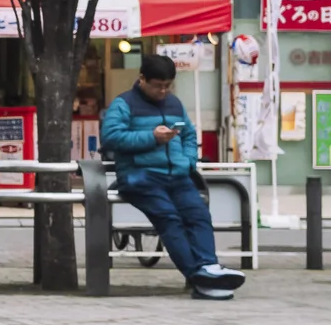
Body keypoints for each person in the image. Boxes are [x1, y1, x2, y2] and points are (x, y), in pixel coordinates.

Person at [103, 53, 247, 300]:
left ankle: (208, 267)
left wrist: (188, 160)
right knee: (169, 219)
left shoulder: (175, 104)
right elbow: (111, 137)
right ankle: (197, 276)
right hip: (140, 177)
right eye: (158, 86)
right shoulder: (123, 104)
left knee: (199, 215)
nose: (163, 91)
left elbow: (189, 135)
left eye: (168, 86)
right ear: (142, 80)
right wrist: (151, 137)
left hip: (178, 176)